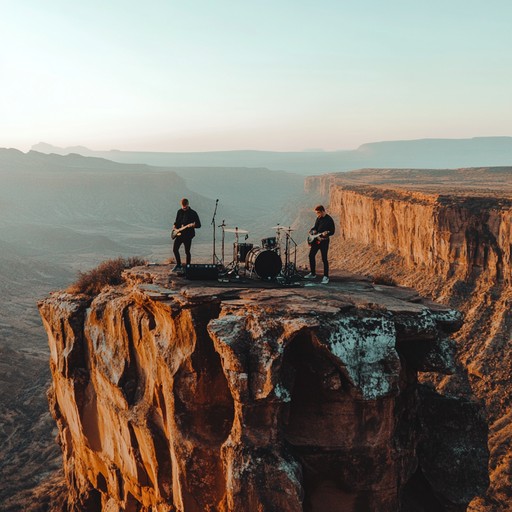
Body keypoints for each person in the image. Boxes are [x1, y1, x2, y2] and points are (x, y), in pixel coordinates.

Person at [305, 204, 335, 284]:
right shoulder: (318, 218)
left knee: (324, 259)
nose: (317, 214)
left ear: (322, 211)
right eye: (316, 213)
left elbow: (332, 231)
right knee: (311, 255)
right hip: (316, 240)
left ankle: (326, 277)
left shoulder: (329, 219)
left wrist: (327, 233)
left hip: (324, 241)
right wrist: (312, 231)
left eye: (318, 212)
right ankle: (313, 273)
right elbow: (315, 227)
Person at [172, 198, 201, 271]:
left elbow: (199, 225)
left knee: (187, 252)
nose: (184, 209)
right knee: (175, 249)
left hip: (188, 235)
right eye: (183, 207)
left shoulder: (193, 213)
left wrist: (193, 225)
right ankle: (178, 265)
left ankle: (188, 267)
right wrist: (174, 226)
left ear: (188, 204)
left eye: (185, 207)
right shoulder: (179, 211)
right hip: (179, 234)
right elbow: (176, 222)